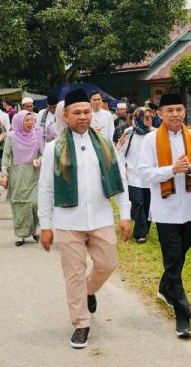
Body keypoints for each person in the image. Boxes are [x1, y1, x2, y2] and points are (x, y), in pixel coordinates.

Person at [38, 88, 131, 349]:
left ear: (93, 113)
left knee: (108, 264)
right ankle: (81, 324)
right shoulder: (53, 148)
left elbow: (120, 180)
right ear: (65, 115)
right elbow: (45, 189)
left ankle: (89, 291)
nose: (82, 116)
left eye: (87, 112)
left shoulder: (105, 144)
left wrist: (125, 214)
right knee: (74, 276)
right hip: (68, 221)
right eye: (77, 112)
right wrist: (45, 225)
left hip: (101, 217)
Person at [136, 93, 191, 338]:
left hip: (190, 208)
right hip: (165, 210)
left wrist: (190, 168)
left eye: (179, 110)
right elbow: (144, 174)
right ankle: (183, 316)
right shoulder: (151, 140)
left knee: (180, 256)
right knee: (172, 259)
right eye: (169, 110)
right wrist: (172, 170)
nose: (175, 115)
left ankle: (164, 287)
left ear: (185, 112)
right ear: (160, 114)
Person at [0, 110, 43, 246]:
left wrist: (40, 159)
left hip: (34, 174)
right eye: (27, 120)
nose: (31, 123)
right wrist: (4, 174)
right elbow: (6, 156)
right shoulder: (12, 136)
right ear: (19, 121)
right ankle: (20, 234)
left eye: (32, 120)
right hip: (18, 176)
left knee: (35, 204)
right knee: (20, 205)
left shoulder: (37, 133)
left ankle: (35, 230)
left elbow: (43, 152)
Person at [117, 106, 155, 243]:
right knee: (138, 203)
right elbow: (119, 154)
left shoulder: (155, 133)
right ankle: (140, 234)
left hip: (150, 177)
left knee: (148, 205)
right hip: (133, 176)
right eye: (146, 117)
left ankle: (145, 229)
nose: (149, 120)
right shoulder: (128, 134)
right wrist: (123, 171)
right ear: (138, 118)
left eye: (151, 117)